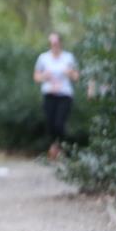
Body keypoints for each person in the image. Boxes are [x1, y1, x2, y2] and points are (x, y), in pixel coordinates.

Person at [34, 32, 79, 160]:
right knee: (50, 124)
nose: (54, 45)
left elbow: (76, 76)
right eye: (51, 43)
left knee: (59, 123)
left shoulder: (68, 57)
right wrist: (44, 76)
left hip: (64, 95)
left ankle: (60, 147)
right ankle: (55, 148)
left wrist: (69, 72)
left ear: (60, 43)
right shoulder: (43, 58)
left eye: (56, 42)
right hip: (49, 94)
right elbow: (36, 77)